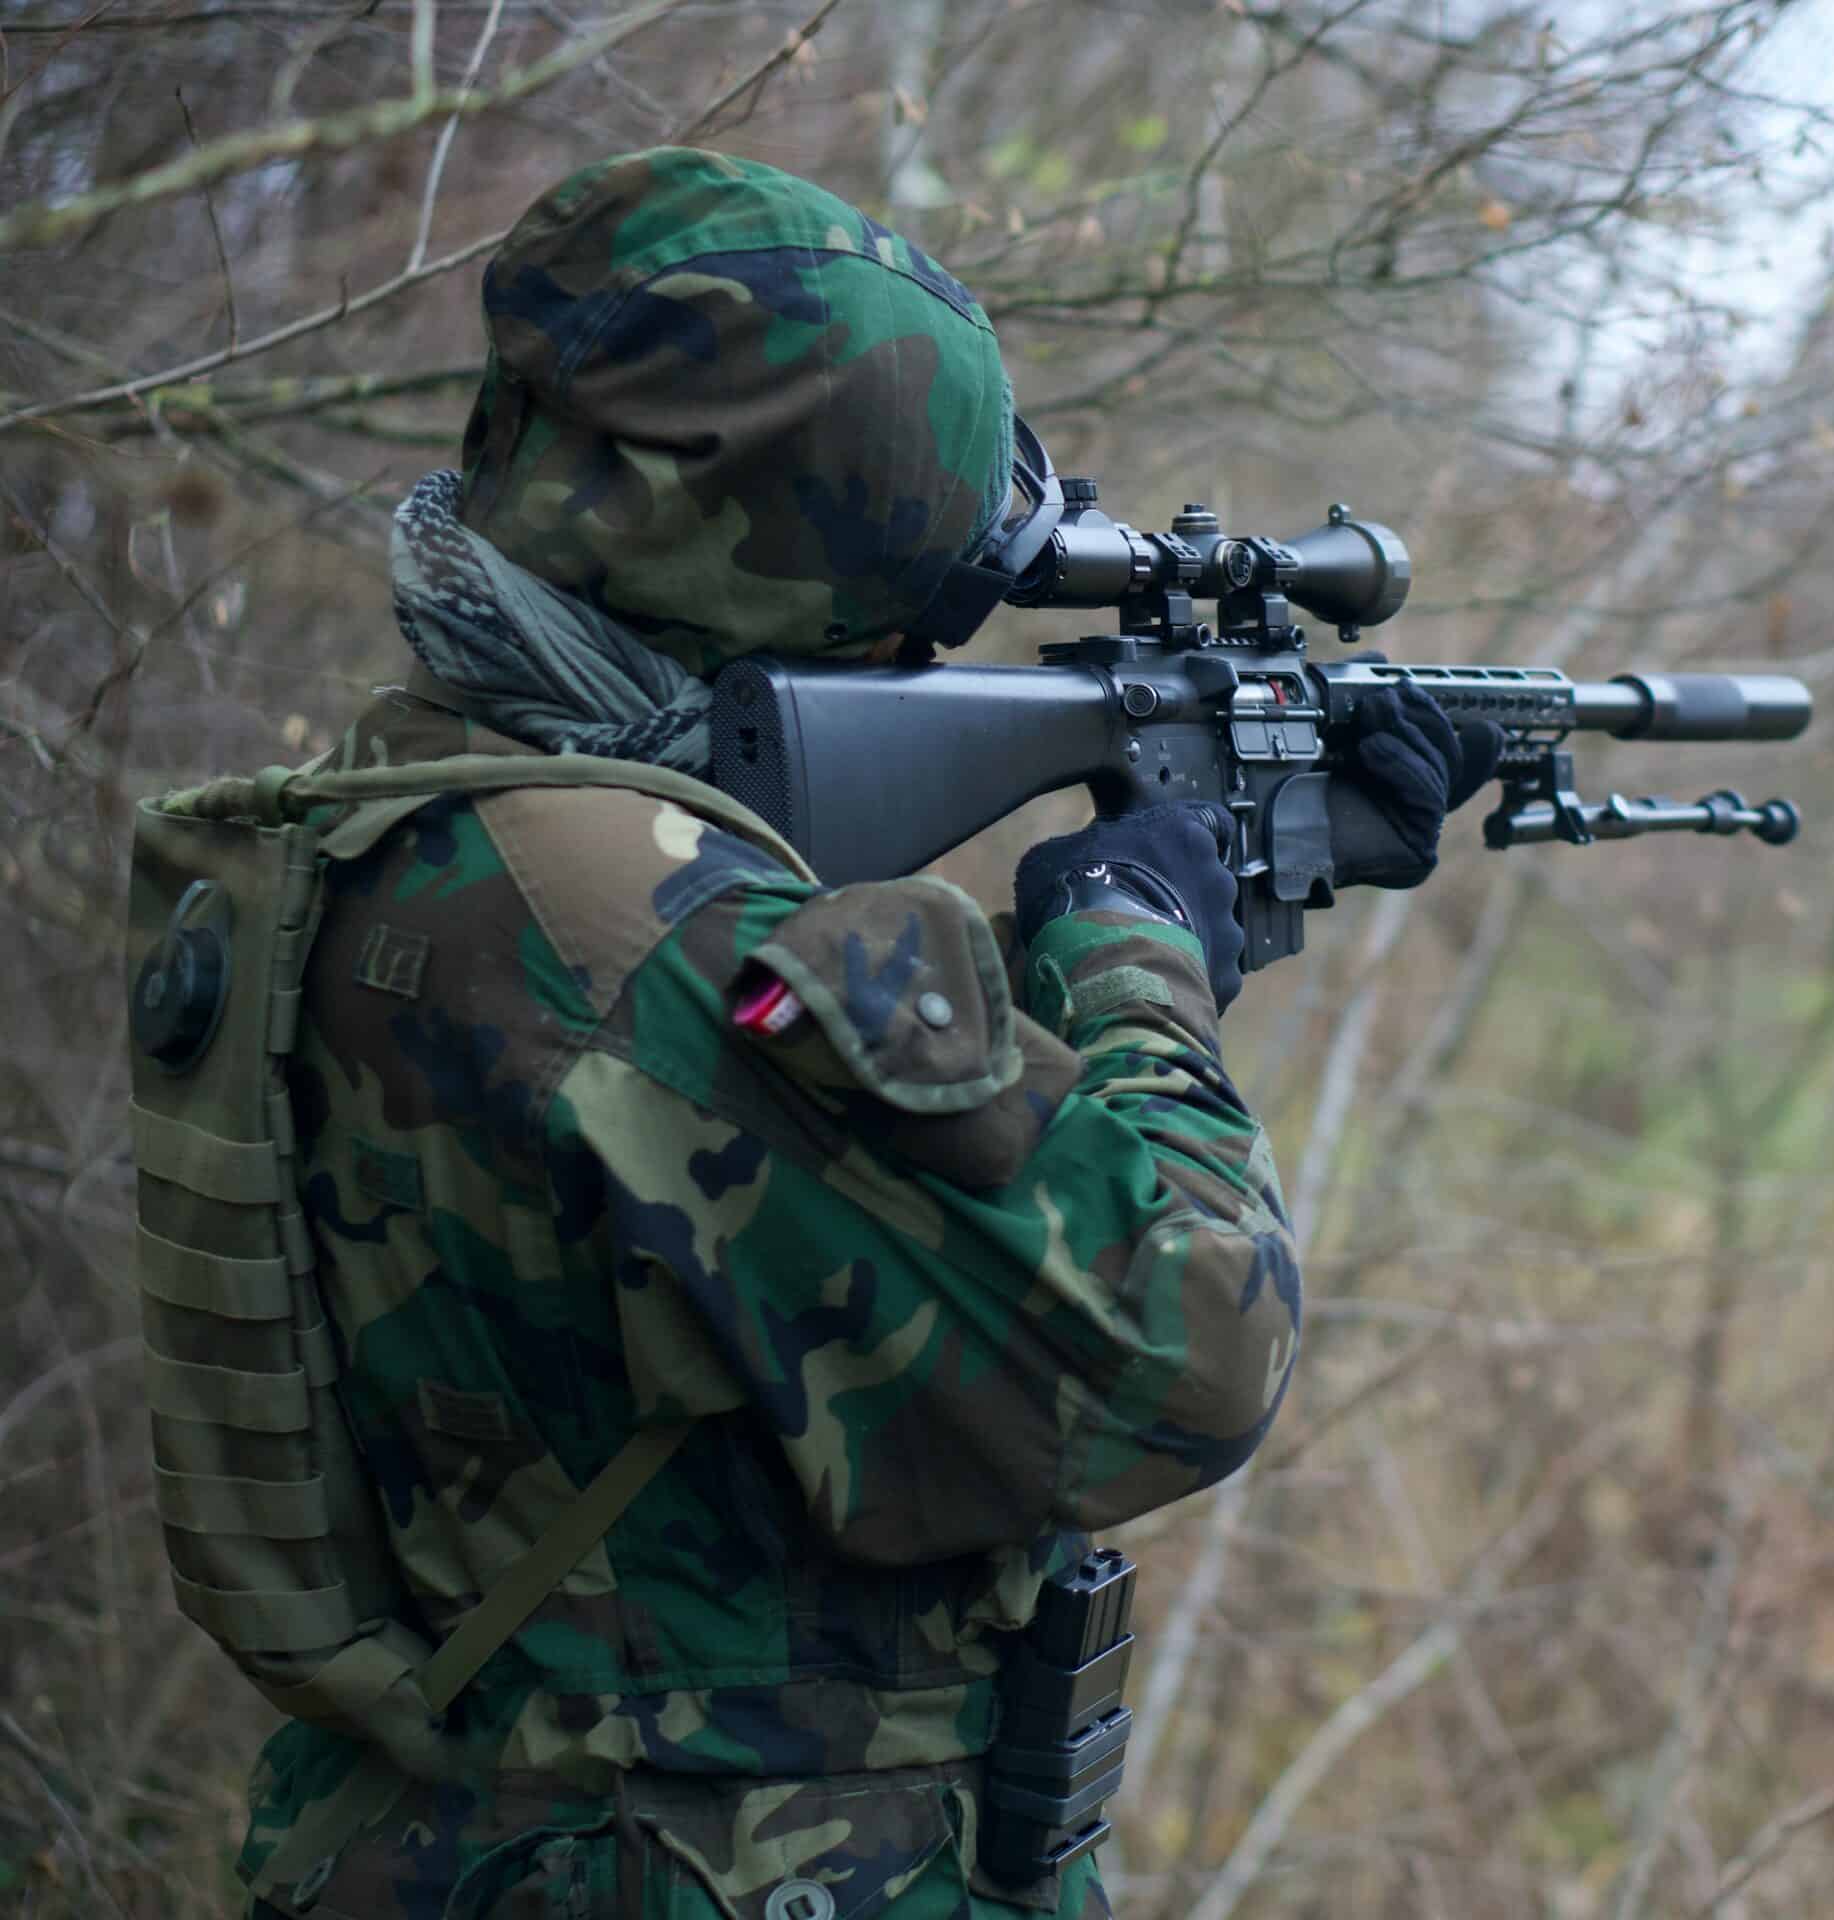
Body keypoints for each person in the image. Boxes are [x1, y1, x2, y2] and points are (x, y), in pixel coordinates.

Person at [207, 146, 1494, 1919]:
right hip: (700, 1868)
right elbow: (1184, 1350)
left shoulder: (400, 826)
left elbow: (760, 1214)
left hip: (434, 1836)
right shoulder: (644, 938)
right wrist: (1137, 961)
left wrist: (1161, 928)